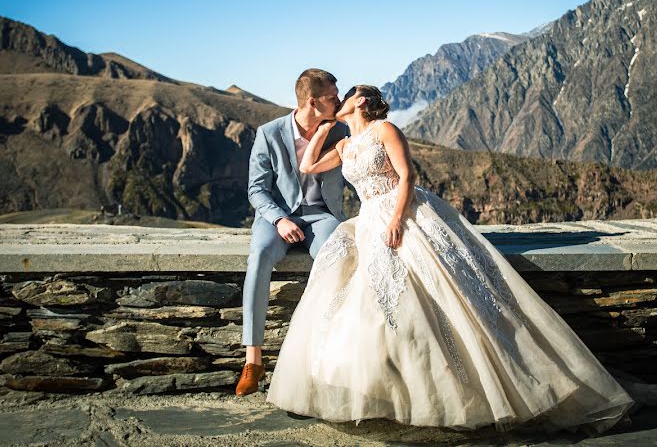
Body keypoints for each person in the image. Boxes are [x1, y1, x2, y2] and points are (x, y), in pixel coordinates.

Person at [265, 85, 636, 434]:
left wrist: (396, 221)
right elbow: (308, 166)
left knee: (443, 290)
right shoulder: (345, 145)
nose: (341, 98)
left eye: (348, 95)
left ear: (361, 101)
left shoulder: (385, 130)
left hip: (403, 212)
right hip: (367, 220)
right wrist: (325, 127)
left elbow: (408, 176)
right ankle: (398, 391)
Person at [235, 69, 349, 396]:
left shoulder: (341, 130)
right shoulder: (268, 133)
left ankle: (323, 356)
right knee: (257, 258)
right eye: (333, 97)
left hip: (321, 216)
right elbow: (257, 190)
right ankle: (253, 360)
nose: (339, 102)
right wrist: (279, 220)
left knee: (336, 260)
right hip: (277, 218)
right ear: (312, 101)